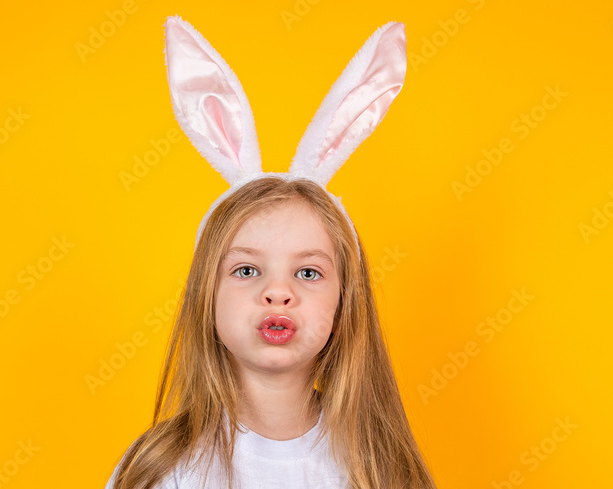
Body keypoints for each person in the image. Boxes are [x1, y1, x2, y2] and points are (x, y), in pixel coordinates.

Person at [106, 15, 436, 489]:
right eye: (246, 269)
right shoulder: (161, 469)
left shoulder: (380, 469)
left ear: (346, 305)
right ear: (206, 299)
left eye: (307, 273)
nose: (277, 292)